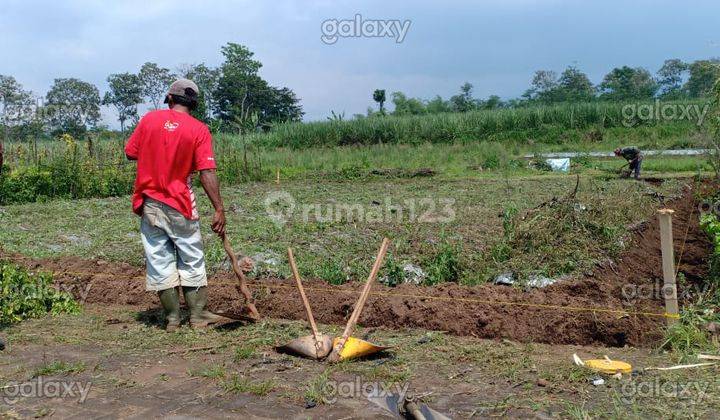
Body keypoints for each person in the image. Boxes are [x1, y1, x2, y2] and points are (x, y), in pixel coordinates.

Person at [125, 79, 241, 331]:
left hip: (150, 204)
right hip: (180, 202)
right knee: (191, 257)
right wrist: (219, 209)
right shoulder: (198, 129)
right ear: (194, 104)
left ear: (169, 98)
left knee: (158, 258)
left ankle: (172, 319)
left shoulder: (148, 120)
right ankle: (198, 317)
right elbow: (206, 171)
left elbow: (130, 152)